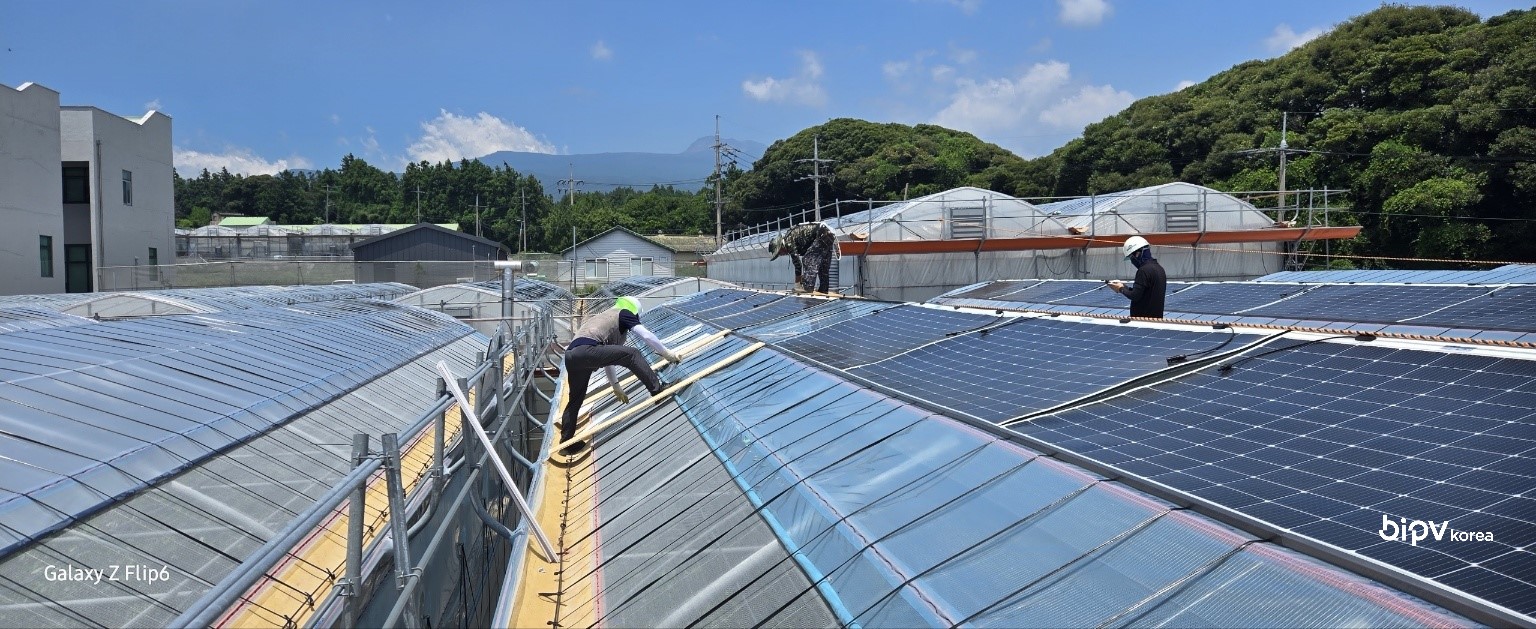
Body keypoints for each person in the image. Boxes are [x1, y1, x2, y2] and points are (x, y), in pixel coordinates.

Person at [560, 296, 681, 456]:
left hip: (571, 356)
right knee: (632, 354)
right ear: (634, 312)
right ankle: (657, 390)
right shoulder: (623, 313)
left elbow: (608, 358)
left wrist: (615, 386)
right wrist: (666, 353)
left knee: (575, 399)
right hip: (587, 351)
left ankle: (566, 442)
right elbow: (646, 335)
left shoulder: (604, 317)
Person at [768, 221, 836, 293]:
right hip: (828, 235)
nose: (781, 254)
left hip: (821, 235)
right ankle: (823, 289)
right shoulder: (791, 237)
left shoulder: (788, 241)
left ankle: (808, 287)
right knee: (823, 265)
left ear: (781, 246)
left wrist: (797, 284)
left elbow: (798, 264)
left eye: (779, 253)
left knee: (807, 259)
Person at [1108, 235, 1166, 318]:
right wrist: (1124, 287)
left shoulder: (1143, 271)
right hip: (1156, 320)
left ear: (1137, 254)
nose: (1132, 261)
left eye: (1131, 258)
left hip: (1142, 321)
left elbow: (1135, 296)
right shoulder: (1159, 268)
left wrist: (1120, 289)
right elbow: (1143, 293)